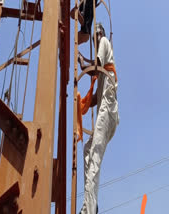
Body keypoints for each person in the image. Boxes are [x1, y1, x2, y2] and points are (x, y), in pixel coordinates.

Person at [78, 23, 119, 214]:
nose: (95, 40)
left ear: (100, 34)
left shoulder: (104, 41)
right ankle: (91, 204)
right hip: (106, 109)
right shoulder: (102, 70)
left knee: (94, 153)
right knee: (88, 149)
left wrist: (81, 62)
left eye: (95, 36)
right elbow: (95, 98)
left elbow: (94, 67)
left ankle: (88, 210)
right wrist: (82, 103)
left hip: (109, 109)